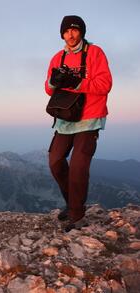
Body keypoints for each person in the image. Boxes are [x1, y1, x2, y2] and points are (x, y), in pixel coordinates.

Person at [44, 15, 112, 232]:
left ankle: (77, 215)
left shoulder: (95, 53)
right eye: (66, 31)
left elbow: (105, 83)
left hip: (90, 117)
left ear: (81, 32)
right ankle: (71, 201)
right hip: (65, 118)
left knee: (78, 166)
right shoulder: (57, 58)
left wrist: (77, 82)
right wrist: (53, 82)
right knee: (55, 162)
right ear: (62, 34)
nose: (70, 35)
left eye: (75, 30)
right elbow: (48, 88)